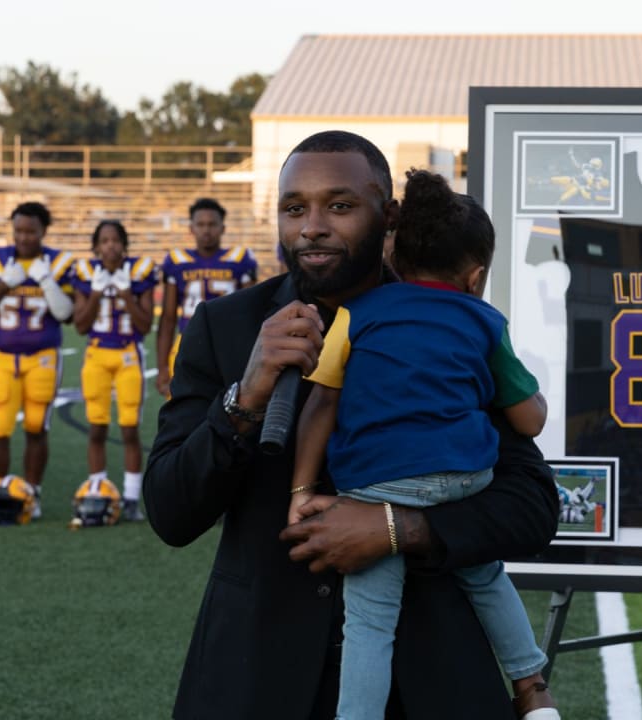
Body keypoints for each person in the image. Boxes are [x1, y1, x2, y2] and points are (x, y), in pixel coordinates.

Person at [144, 130, 560, 719]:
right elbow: (170, 510)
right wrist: (244, 397)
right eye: (294, 208)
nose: (312, 226)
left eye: (338, 206)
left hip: (427, 678)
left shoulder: (452, 321)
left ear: (388, 216)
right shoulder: (226, 326)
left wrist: (397, 528)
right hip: (256, 674)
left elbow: (533, 505)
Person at [288, 169, 555, 720]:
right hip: (464, 478)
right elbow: (528, 423)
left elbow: (320, 406)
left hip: (376, 487)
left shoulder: (355, 317)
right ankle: (532, 686)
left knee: (368, 623)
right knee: (485, 575)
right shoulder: (484, 321)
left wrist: (302, 489)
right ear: (476, 275)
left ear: (394, 258)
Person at [0, 202, 74, 520]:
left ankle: (32, 493)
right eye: (18, 231)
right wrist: (4, 283)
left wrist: (46, 282)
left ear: (44, 231)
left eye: (31, 231)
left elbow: (66, 314)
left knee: (35, 428)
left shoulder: (58, 262)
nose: (24, 237)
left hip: (43, 356)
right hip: (3, 356)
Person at [72, 220, 158, 521]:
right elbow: (80, 325)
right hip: (96, 354)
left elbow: (145, 325)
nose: (110, 246)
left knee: (129, 428)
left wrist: (126, 295)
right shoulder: (85, 273)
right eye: (104, 241)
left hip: (128, 355)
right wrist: (96, 294)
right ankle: (99, 489)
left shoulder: (139, 272)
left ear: (124, 244)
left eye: (115, 240)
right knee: (96, 427)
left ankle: (132, 498)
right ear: (96, 246)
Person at [154, 197, 257, 397]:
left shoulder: (240, 259)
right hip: (187, 342)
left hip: (228, 344)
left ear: (222, 228)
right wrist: (162, 368)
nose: (206, 230)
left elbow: (251, 313)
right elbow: (168, 318)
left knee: (227, 409)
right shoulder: (177, 261)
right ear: (191, 228)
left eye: (212, 224)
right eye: (200, 224)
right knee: (181, 412)